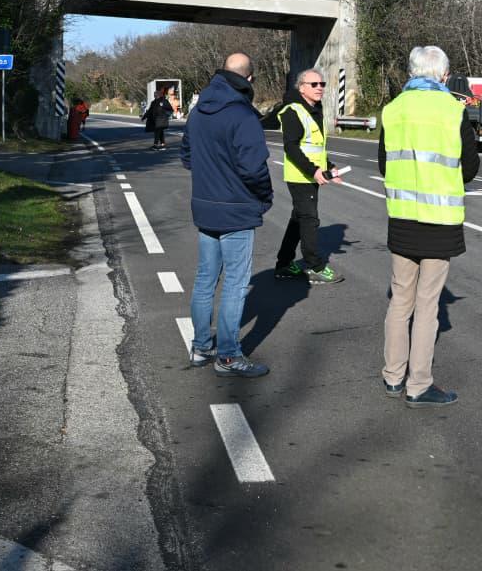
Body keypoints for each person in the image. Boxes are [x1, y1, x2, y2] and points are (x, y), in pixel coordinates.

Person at [377, 45, 478, 407]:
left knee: (400, 298)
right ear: (444, 76)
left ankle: (392, 376)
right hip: (439, 221)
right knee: (427, 305)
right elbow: (469, 167)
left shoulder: (393, 110)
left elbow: (383, 164)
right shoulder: (453, 111)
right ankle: (418, 384)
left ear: (411, 72)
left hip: (402, 218)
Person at [180, 53, 273, 378]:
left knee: (206, 279)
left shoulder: (198, 111)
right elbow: (254, 168)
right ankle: (230, 356)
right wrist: (264, 196)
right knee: (235, 284)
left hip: (205, 208)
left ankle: (201, 346)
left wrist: (209, 178)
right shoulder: (243, 115)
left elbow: (187, 156)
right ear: (249, 80)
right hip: (237, 211)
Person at [273, 68, 343, 284]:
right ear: (301, 88)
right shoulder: (293, 111)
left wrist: (329, 168)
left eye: (322, 84)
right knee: (310, 220)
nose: (320, 87)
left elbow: (317, 147)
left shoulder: (314, 108)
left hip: (311, 175)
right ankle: (315, 267)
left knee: (298, 219)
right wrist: (313, 171)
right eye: (314, 84)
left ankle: (284, 264)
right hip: (300, 176)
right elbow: (291, 148)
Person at [143, 85, 173, 150]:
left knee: (157, 131)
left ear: (159, 95)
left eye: (156, 94)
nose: (155, 95)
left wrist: (166, 115)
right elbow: (150, 111)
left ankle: (155, 145)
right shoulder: (153, 102)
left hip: (162, 119)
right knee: (160, 131)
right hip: (156, 120)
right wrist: (144, 117)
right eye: (154, 94)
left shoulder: (164, 101)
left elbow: (170, 109)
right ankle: (163, 145)